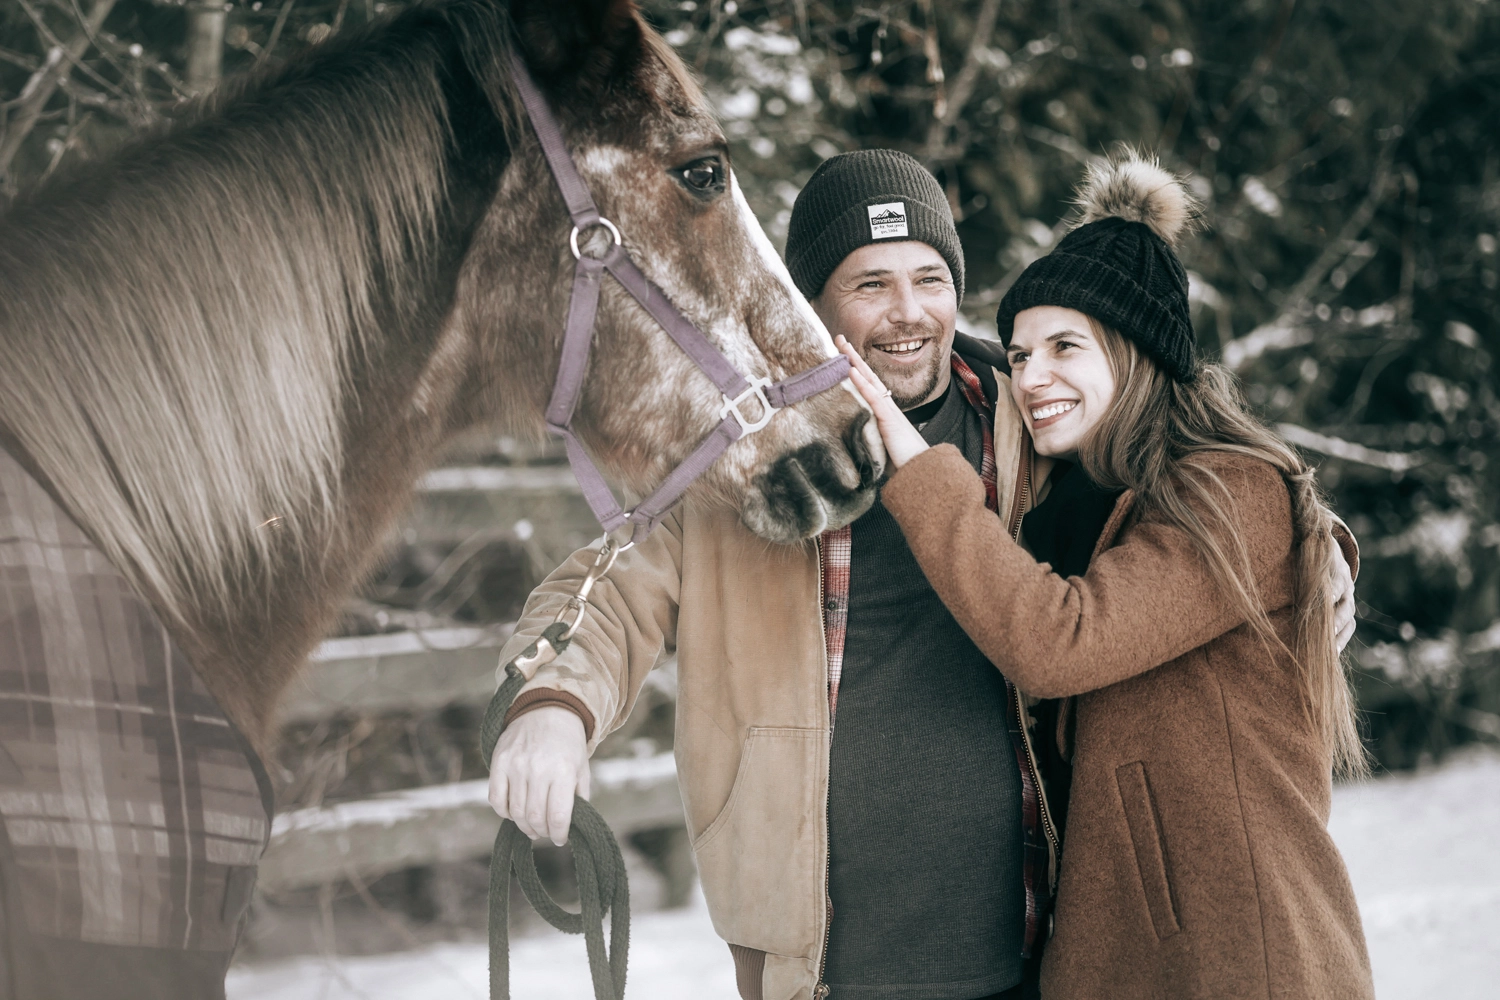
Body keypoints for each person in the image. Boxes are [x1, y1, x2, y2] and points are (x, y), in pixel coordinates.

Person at [487, 150, 1357, 1000]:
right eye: (871, 284)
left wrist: (1319, 553)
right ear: (809, 302)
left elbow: (1188, 466)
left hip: (1035, 947)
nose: (909, 313)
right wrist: (550, 708)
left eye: (930, 278)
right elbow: (603, 590)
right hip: (821, 961)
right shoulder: (740, 458)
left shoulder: (1028, 424)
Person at [839, 151, 1375, 1000]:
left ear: (1136, 353)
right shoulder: (1078, 500)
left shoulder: (1228, 489)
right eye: (1020, 354)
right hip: (1119, 960)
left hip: (1239, 961)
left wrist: (919, 466)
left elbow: (1058, 642)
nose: (1034, 375)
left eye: (1066, 346)